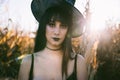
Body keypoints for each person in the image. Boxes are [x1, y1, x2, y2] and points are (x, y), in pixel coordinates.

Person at [18, 1, 87, 80]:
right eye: (51, 24)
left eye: (63, 26)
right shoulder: (28, 62)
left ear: (68, 30)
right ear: (44, 26)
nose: (57, 32)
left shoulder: (78, 63)